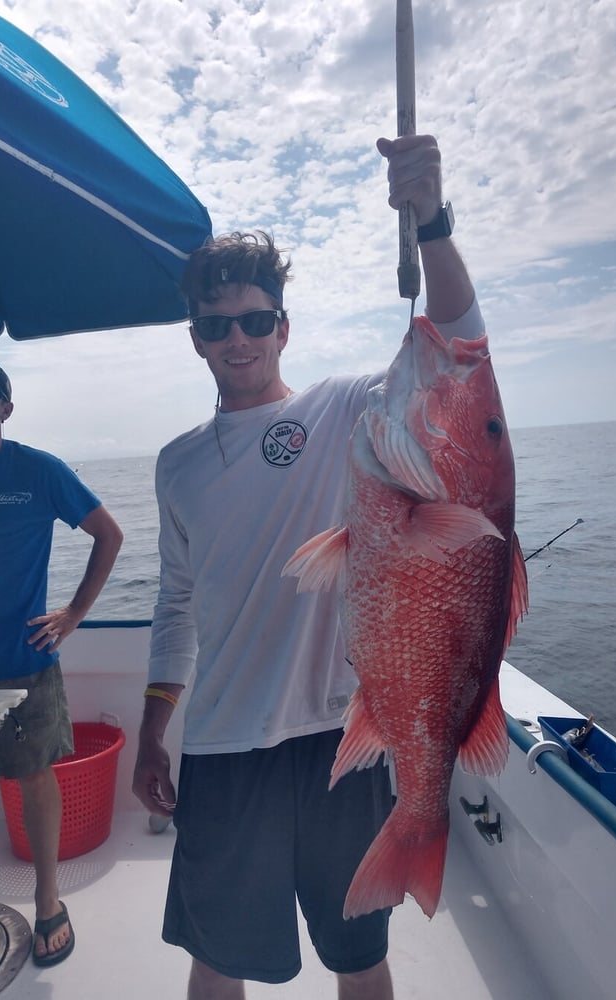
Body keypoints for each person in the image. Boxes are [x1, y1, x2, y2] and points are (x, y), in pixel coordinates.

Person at [132, 134, 483, 999]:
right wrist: (151, 731)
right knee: (217, 957)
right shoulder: (176, 463)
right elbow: (176, 608)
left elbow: (462, 344)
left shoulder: (344, 411)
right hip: (223, 744)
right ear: (197, 340)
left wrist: (430, 219)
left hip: (342, 738)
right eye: (218, 325)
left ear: (282, 327)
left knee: (358, 954)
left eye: (255, 320)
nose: (238, 338)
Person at [0, 356, 123, 967]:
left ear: (6, 406)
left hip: (21, 663)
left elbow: (109, 533)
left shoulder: (37, 470)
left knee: (35, 778)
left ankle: (49, 901)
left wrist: (74, 614)